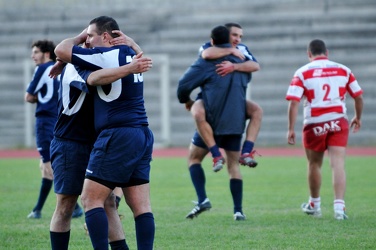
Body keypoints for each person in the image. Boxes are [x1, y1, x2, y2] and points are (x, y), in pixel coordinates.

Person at [54, 16, 155, 249]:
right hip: (142, 133)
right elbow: (136, 61)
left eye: (90, 36)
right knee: (141, 206)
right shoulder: (131, 53)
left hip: (118, 134)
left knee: (90, 199)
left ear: (107, 37)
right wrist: (133, 43)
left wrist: (75, 44)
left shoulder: (104, 56)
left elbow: (63, 49)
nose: (87, 41)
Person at [177, 25, 251, 221]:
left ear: (212, 41)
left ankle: (202, 199)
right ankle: (238, 211)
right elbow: (254, 68)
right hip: (235, 121)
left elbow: (183, 86)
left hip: (211, 122)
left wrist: (188, 101)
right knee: (234, 166)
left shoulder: (206, 61)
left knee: (193, 159)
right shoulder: (243, 60)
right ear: (231, 40)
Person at [286, 39, 363, 220]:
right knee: (338, 164)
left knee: (314, 164)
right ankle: (339, 208)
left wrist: (291, 128)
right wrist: (357, 117)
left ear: (309, 54)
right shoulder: (344, 69)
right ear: (326, 52)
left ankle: (315, 204)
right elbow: (358, 96)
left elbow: (294, 102)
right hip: (338, 121)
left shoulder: (302, 72)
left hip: (315, 122)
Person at [191, 22, 262, 171]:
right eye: (234, 35)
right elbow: (207, 54)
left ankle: (247, 151)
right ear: (225, 34)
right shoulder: (208, 46)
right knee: (197, 112)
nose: (238, 39)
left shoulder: (242, 49)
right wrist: (230, 51)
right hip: (210, 98)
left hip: (233, 100)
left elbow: (255, 66)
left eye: (240, 36)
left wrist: (234, 66)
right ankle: (215, 154)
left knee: (257, 110)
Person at [25, 40, 83, 219]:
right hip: (59, 120)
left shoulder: (42, 69)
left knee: (48, 167)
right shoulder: (64, 68)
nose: (32, 55)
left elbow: (28, 96)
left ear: (47, 54)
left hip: (44, 122)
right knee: (50, 165)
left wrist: (37, 98)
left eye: (36, 52)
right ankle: (71, 207)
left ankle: (64, 207)